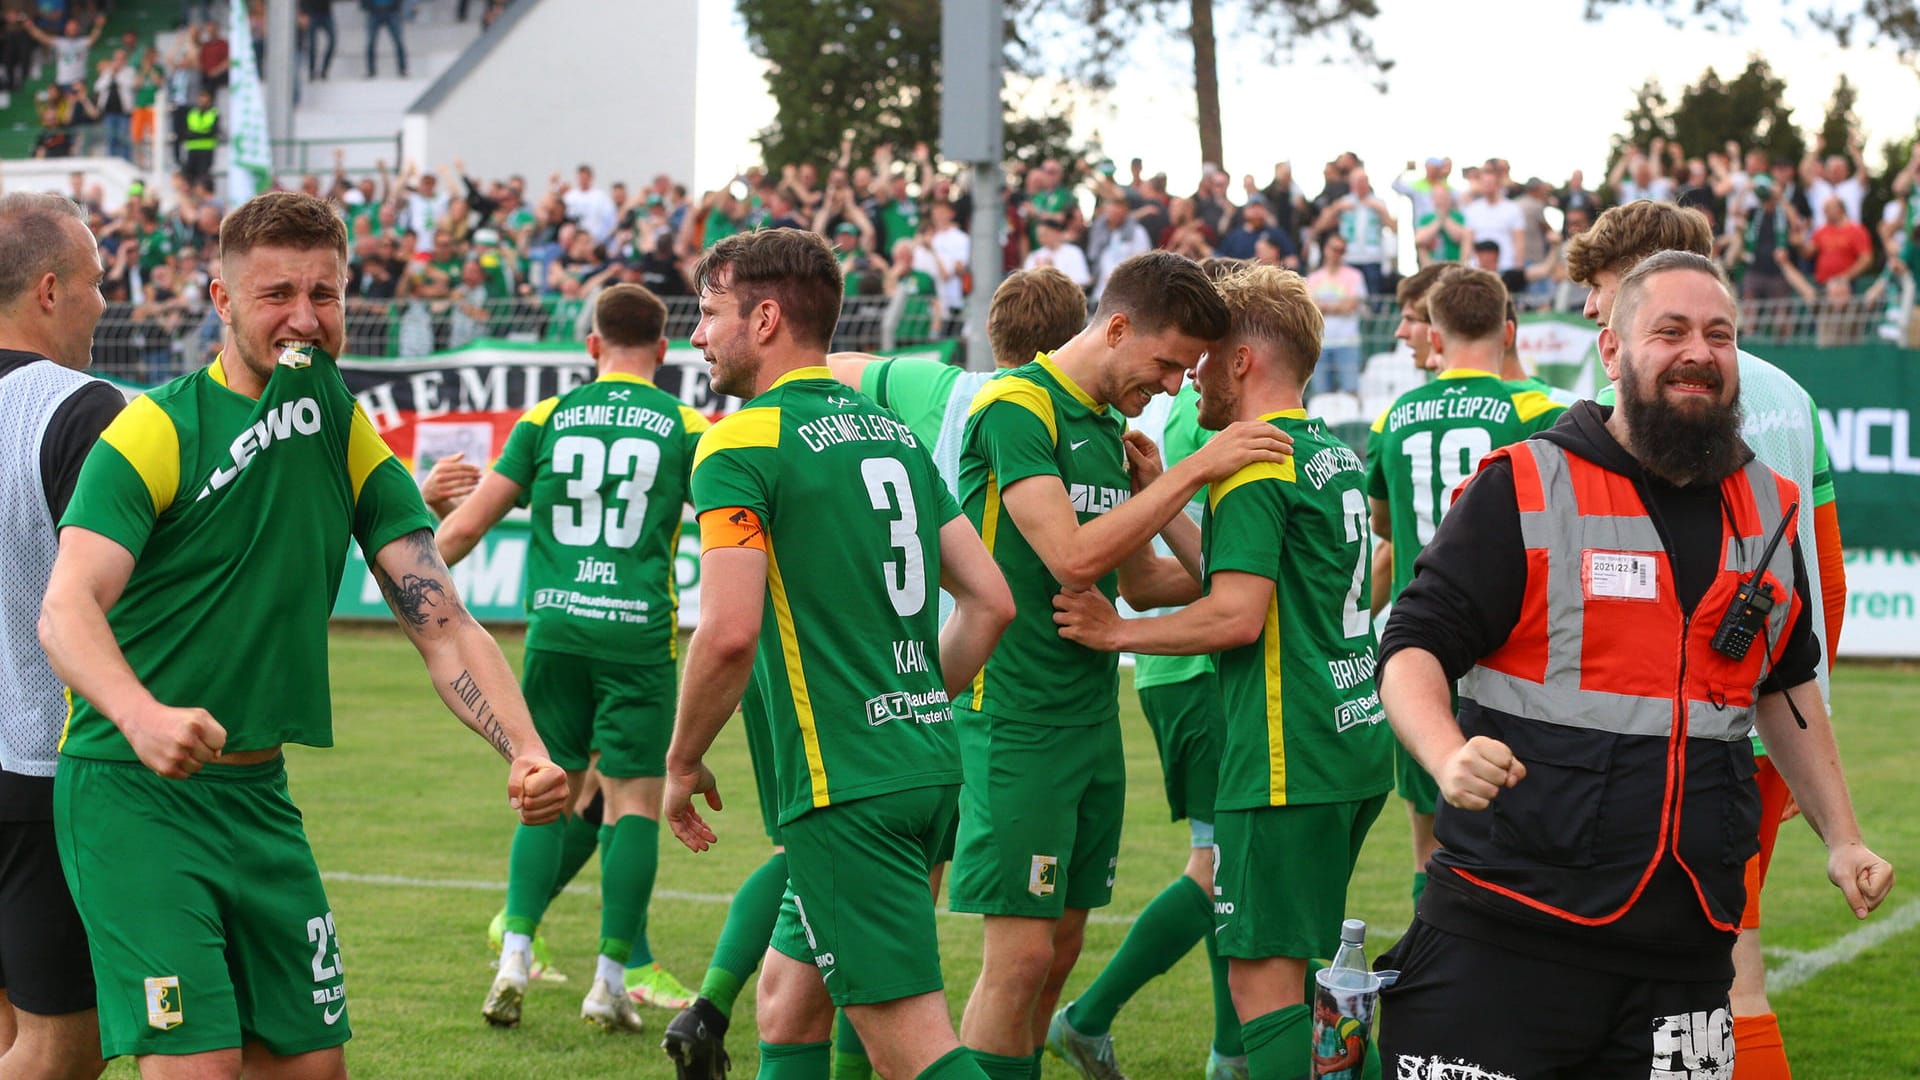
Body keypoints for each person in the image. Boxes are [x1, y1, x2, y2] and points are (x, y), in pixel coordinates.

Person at [38, 191, 568, 1078]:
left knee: (313, 1068)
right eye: (276, 294)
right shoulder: (156, 428)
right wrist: (142, 715)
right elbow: (67, 608)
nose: (303, 319)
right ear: (221, 299)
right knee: (198, 1067)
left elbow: (442, 623)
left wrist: (524, 747)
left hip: (260, 799)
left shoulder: (348, 434)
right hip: (132, 797)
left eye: (323, 295)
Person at [1374, 250, 1893, 1079]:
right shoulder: (1525, 484)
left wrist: (1843, 837)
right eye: (1672, 331)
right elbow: (1411, 645)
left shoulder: (1766, 507)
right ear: (1614, 353)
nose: (1700, 352)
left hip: (1684, 947)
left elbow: (1785, 682)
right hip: (1510, 928)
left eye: (1719, 335)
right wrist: (1445, 754)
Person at [652, 266, 1090, 1080]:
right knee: (786, 999)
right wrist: (917, 701)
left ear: (767, 318)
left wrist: (680, 763)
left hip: (846, 785)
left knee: (913, 1052)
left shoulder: (739, 440)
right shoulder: (892, 432)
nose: (697, 336)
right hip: (925, 764)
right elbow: (990, 601)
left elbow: (726, 634)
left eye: (710, 315)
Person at [950, 251, 1291, 1080]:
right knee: (1022, 957)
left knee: (1062, 947)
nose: (1175, 386)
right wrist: (1199, 471)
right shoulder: (1017, 408)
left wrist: (1233, 558)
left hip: (1089, 718)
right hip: (1014, 718)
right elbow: (1071, 557)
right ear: (1115, 327)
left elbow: (1141, 582)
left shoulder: (1108, 431)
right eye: (1167, 363)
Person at [1054, 263, 1393, 1080]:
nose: (1187, 378)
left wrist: (1115, 632)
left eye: (1203, 358)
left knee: (1263, 987)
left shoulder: (1251, 465)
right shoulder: (1328, 457)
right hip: (1348, 741)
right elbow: (1251, 582)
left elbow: (1237, 617)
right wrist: (1163, 502)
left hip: (1285, 757)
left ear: (1242, 362)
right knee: (1312, 979)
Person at [1565, 200, 1854, 1080]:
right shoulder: (1793, 393)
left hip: (1686, 727)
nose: (1589, 312)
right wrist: (1810, 732)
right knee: (1713, 967)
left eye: (1606, 289)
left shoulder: (1636, 392)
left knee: (1720, 977)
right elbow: (1825, 583)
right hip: (1771, 713)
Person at [430, 283, 707, 1032]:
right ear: (663, 350)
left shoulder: (547, 419)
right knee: (632, 805)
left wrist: (421, 604)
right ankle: (610, 981)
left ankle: (515, 953)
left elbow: (463, 530)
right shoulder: (687, 426)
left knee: (546, 784)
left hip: (554, 629)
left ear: (591, 346)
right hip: (637, 632)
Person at [1363, 267, 1565, 908]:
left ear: (1436, 333)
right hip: (1513, 638)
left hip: (1423, 636)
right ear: (1508, 330)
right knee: (1522, 825)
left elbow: (1383, 523)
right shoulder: (1538, 408)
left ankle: (1431, 958)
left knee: (1430, 836)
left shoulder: (1395, 415)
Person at [0, 193, 118, 1080]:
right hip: (40, 772)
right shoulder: (79, 407)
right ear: (48, 291)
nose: (105, 302)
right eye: (95, 281)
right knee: (62, 1051)